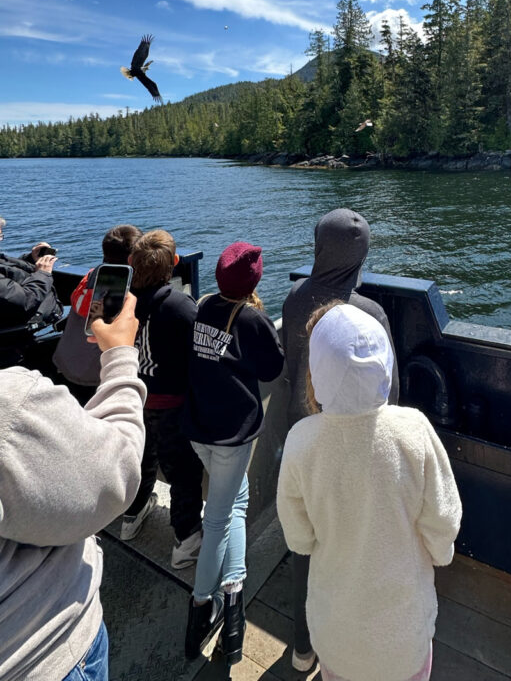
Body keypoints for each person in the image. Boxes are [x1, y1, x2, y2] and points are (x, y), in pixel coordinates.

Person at [277, 302, 461, 681]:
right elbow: (443, 521)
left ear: (317, 371)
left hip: (336, 637)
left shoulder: (302, 442)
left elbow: (298, 537)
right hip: (404, 637)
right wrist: (440, 553)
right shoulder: (414, 430)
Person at [0, 291, 146, 681]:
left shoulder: (83, 290)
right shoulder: (9, 404)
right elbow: (115, 473)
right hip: (45, 652)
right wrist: (120, 359)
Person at [281, 207, 400, 670]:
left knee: (304, 542)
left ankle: (301, 646)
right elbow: (390, 394)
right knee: (353, 540)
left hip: (302, 433)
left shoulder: (293, 299)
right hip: (354, 448)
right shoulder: (369, 313)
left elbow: (292, 368)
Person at [182, 242, 284, 665]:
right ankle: (203, 607)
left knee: (233, 504)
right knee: (219, 520)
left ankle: (235, 603)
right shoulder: (254, 319)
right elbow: (273, 370)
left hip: (198, 429)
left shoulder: (202, 307)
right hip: (231, 437)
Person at [120, 229, 204, 567]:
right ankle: (186, 541)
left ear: (131, 263)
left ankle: (132, 515)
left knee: (142, 460)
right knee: (183, 473)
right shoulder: (180, 306)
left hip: (136, 397)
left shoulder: (123, 300)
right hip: (172, 405)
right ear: (173, 263)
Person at [53, 224, 143, 404]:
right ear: (135, 258)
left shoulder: (91, 277)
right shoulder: (123, 296)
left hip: (65, 363)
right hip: (93, 376)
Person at [0, 217, 62, 367]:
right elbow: (25, 300)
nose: (1, 239)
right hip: (22, 335)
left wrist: (32, 259)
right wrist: (43, 273)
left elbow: (7, 269)